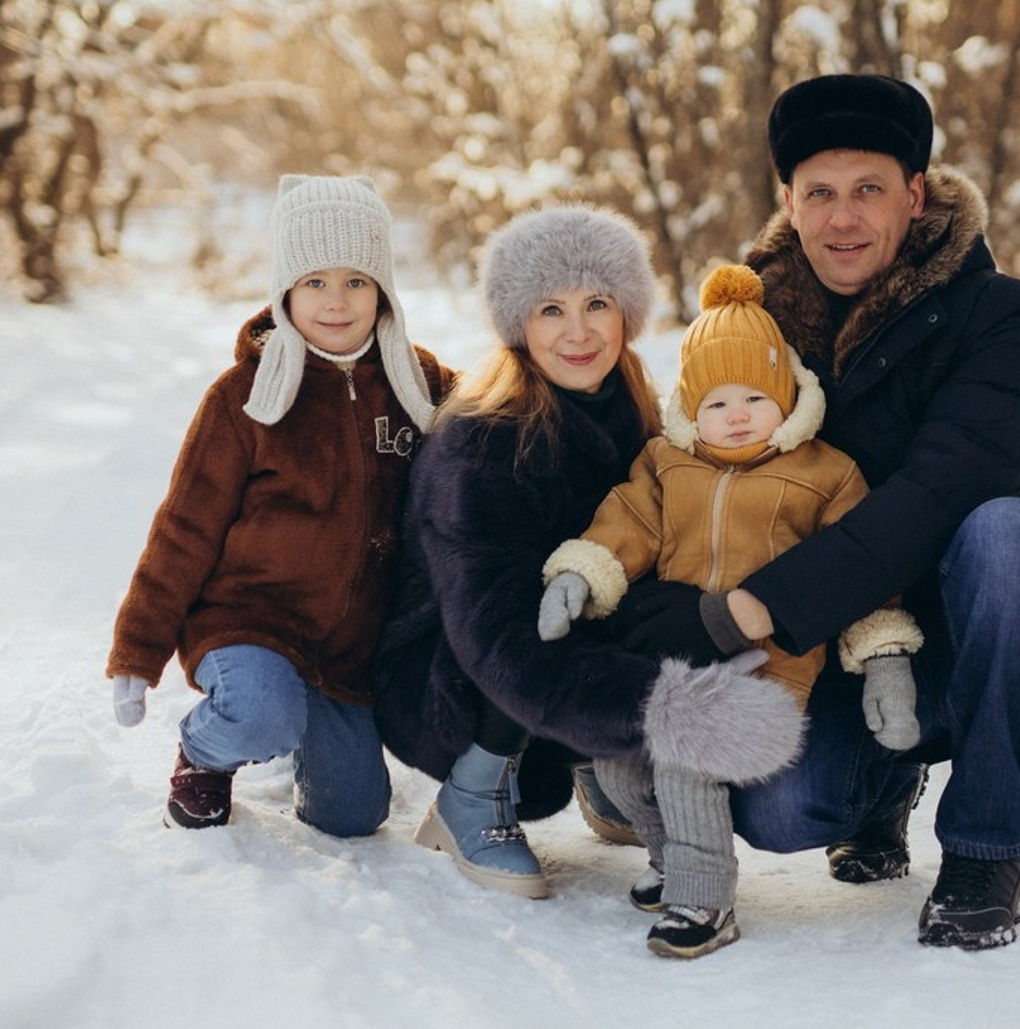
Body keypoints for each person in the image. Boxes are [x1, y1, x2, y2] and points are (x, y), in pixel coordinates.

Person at [581, 74, 1020, 950]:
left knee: (1003, 533)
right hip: (841, 646)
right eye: (820, 193)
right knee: (785, 811)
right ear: (788, 199)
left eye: (869, 191)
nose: (843, 219)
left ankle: (984, 843)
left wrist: (751, 609)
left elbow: (942, 492)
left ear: (916, 194)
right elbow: (692, 462)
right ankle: (885, 790)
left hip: (987, 620)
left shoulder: (992, 314)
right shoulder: (759, 325)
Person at [371, 205, 805, 904]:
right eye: (550, 309)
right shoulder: (479, 444)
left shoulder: (639, 414)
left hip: (552, 663)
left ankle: (599, 765)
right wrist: (663, 711)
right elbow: (499, 638)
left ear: (626, 312)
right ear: (519, 325)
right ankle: (471, 793)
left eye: (597, 303)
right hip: (452, 673)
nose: (578, 331)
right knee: (548, 604)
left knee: (664, 591)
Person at [537, 262, 923, 957]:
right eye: (716, 402)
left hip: (767, 679)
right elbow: (623, 528)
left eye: (754, 396)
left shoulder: (826, 474)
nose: (737, 414)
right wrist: (580, 576)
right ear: (691, 406)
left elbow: (864, 576)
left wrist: (885, 659)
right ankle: (671, 859)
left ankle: (705, 899)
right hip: (671, 663)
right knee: (620, 761)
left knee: (685, 752)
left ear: (786, 395)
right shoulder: (665, 463)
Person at [106, 174, 455, 835]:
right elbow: (183, 529)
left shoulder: (419, 384)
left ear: (383, 290)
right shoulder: (243, 397)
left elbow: (493, 421)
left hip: (346, 652)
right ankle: (206, 750)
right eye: (314, 281)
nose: (336, 301)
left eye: (356, 280)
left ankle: (292, 724)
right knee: (262, 711)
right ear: (285, 290)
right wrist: (137, 649)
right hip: (248, 624)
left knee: (351, 815)